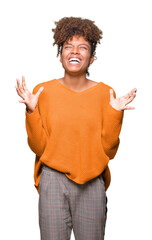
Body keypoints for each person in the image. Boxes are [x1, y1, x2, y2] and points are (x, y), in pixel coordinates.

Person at [15, 17, 137, 240]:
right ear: (60, 53)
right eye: (68, 46)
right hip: (52, 180)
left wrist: (114, 115)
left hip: (92, 182)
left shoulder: (105, 94)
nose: (75, 51)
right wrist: (32, 112)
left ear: (92, 57)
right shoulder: (43, 91)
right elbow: (38, 147)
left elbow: (109, 150)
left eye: (83, 47)